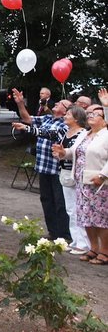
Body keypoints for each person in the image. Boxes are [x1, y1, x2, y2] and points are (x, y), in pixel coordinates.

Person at [11, 89, 72, 242]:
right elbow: (27, 118)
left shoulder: (66, 125)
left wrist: (27, 129)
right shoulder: (48, 118)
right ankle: (53, 232)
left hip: (57, 170)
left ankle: (64, 235)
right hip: (43, 167)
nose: (56, 103)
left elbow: (49, 134)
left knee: (60, 203)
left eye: (61, 103)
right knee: (46, 200)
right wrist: (20, 103)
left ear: (66, 111)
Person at [53, 104, 108, 265]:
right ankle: (93, 248)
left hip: (99, 183)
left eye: (96, 115)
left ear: (104, 120)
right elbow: (74, 152)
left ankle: (105, 251)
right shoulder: (85, 134)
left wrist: (103, 175)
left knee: (101, 218)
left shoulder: (106, 135)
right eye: (90, 114)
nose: (91, 116)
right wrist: (63, 152)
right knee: (86, 217)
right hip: (81, 181)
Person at [48, 106, 91, 255]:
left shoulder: (83, 134)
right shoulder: (66, 132)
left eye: (68, 114)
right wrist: (59, 153)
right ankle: (75, 241)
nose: (65, 116)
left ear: (77, 118)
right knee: (71, 209)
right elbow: (66, 152)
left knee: (79, 209)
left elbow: (79, 153)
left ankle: (84, 243)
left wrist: (64, 153)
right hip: (65, 172)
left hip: (77, 174)